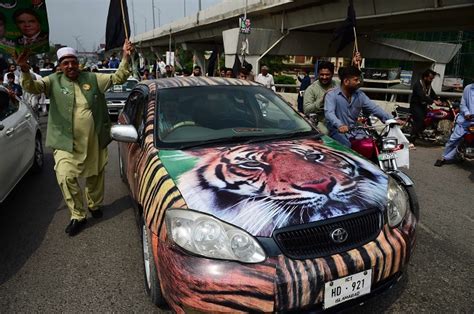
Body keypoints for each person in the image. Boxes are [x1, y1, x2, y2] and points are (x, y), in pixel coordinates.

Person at [16, 39, 134, 237]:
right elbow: (32, 88)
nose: (70, 66)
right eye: (65, 63)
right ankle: (78, 215)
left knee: (95, 175)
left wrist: (126, 56)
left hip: (93, 138)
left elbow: (119, 77)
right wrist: (25, 71)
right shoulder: (52, 81)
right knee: (65, 176)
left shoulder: (93, 78)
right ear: (60, 66)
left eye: (73, 61)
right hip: (65, 141)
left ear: (78, 62)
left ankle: (94, 205)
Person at [324, 66, 393, 147]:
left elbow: (374, 108)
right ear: (346, 81)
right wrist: (340, 125)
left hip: (355, 130)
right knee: (347, 146)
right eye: (356, 80)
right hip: (337, 131)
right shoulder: (332, 95)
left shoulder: (360, 95)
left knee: (374, 144)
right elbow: (329, 113)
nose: (358, 82)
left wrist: (391, 119)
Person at [435, 84, 474, 167]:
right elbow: (463, 104)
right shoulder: (468, 88)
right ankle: (444, 157)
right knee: (454, 139)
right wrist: (467, 113)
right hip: (465, 119)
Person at [303, 61, 338, 131]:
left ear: (332, 74)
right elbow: (306, 110)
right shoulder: (311, 89)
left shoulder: (338, 85)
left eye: (327, 75)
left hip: (338, 121)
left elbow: (356, 83)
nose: (324, 77)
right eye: (322, 74)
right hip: (321, 122)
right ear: (318, 74)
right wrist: (322, 100)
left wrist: (356, 65)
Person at [410, 69, 441, 144]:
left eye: (432, 79)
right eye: (430, 78)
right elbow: (422, 96)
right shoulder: (418, 85)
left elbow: (432, 94)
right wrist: (433, 101)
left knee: (430, 118)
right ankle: (411, 139)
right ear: (425, 77)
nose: (431, 80)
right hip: (416, 106)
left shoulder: (428, 86)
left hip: (423, 106)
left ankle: (422, 133)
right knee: (420, 120)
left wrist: (439, 100)